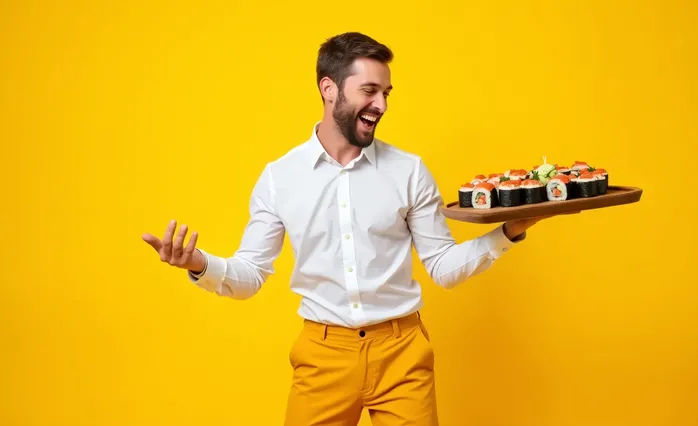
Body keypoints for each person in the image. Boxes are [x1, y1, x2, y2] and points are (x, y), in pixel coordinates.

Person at [142, 32, 553, 426]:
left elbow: (443, 266)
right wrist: (199, 264)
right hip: (323, 357)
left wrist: (510, 230)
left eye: (387, 93)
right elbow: (250, 275)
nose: (382, 105)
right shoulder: (279, 177)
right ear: (329, 89)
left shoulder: (409, 171)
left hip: (402, 353)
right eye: (369, 90)